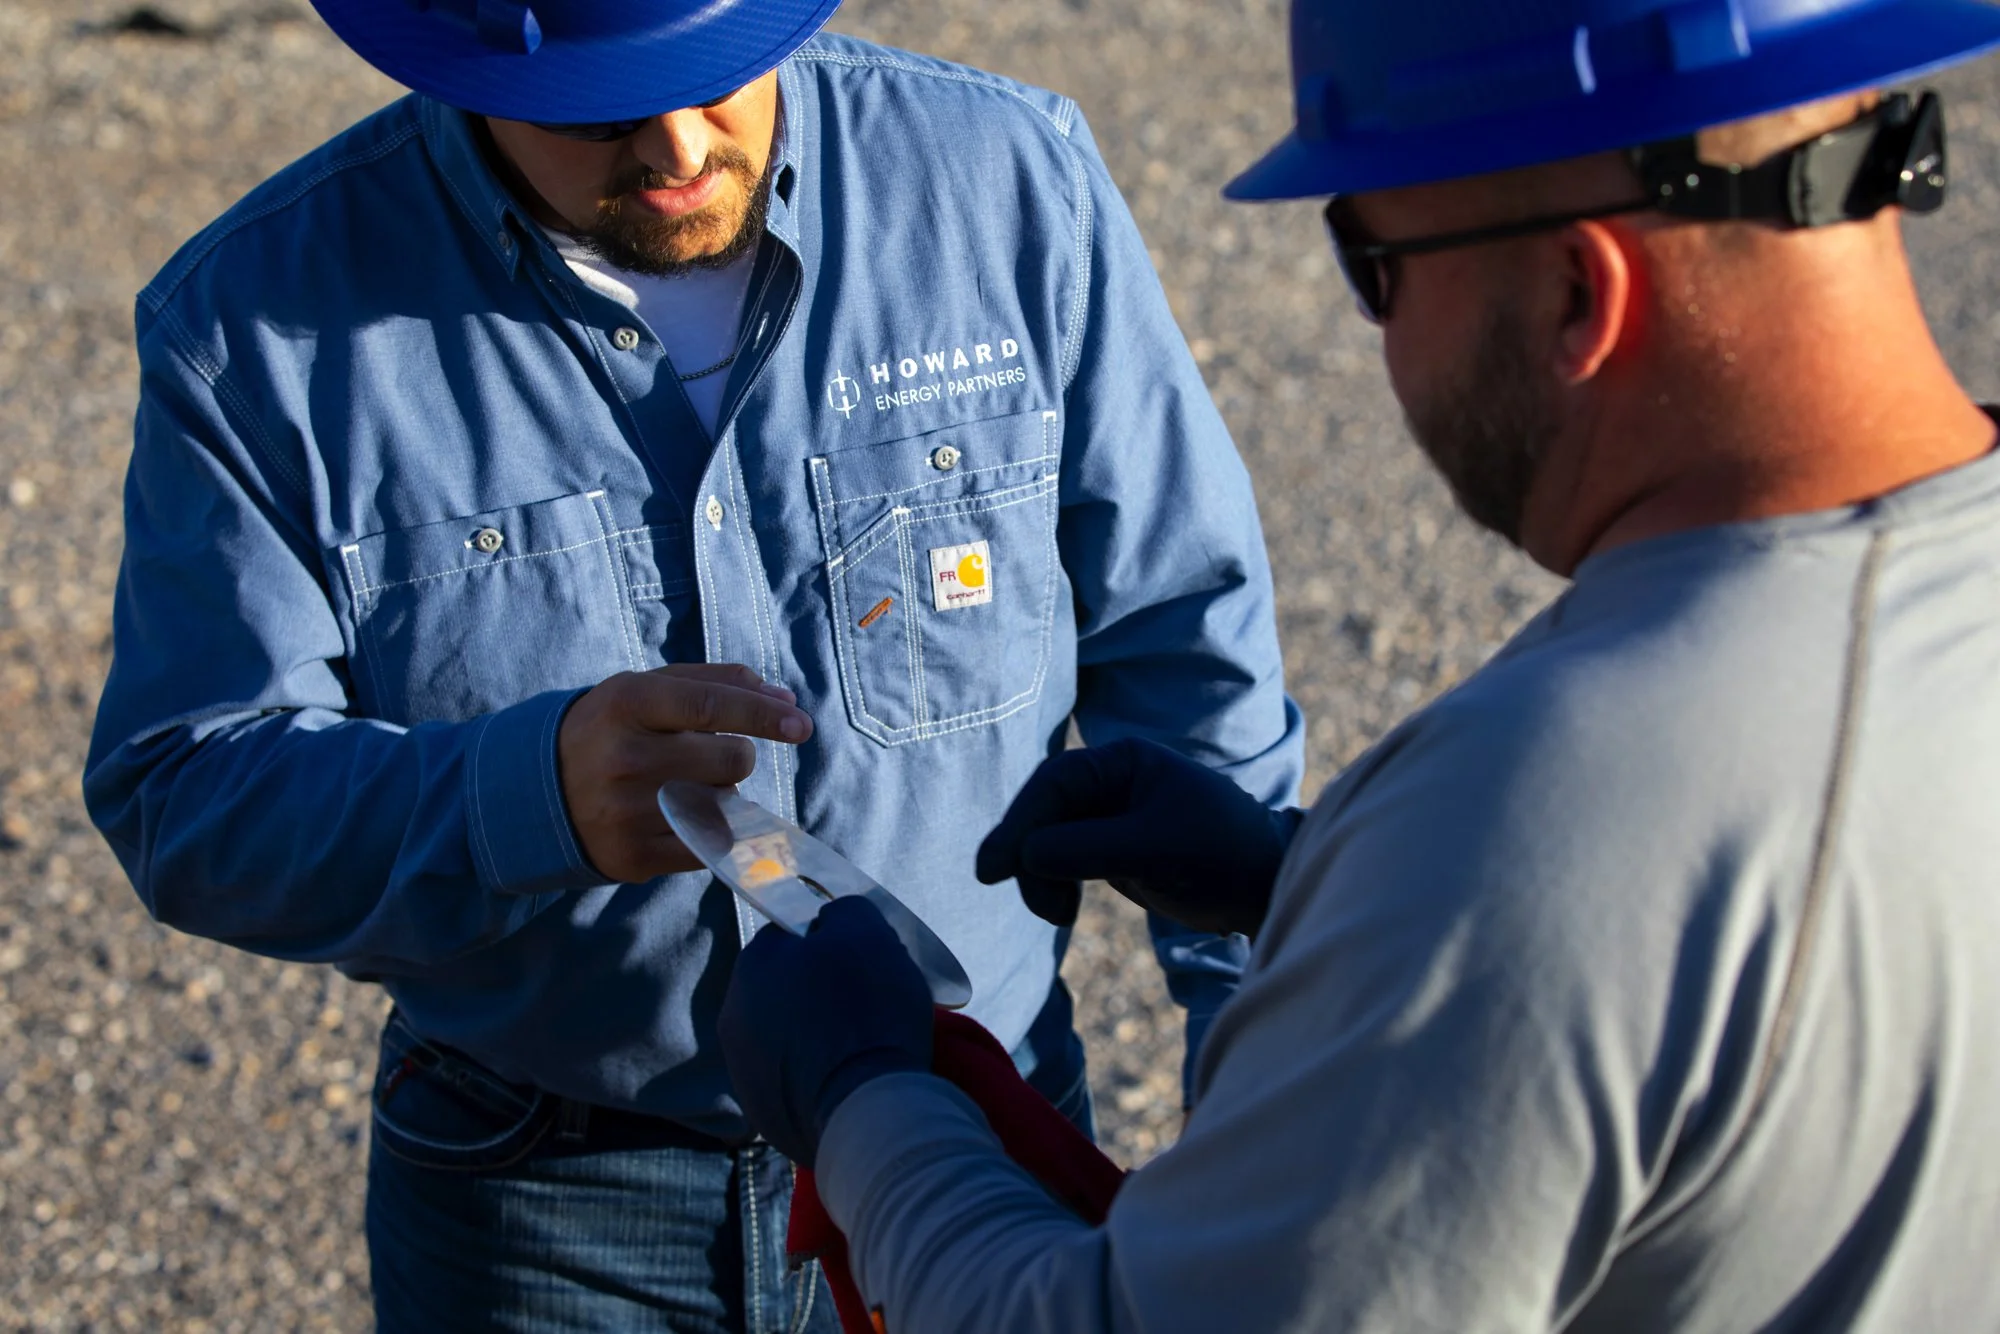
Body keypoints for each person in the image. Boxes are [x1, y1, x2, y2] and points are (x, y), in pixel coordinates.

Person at [715, 0, 2000, 1329]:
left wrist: (867, 1097)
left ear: (1577, 292)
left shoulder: (1536, 826)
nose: (1382, 339)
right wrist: (1309, 883)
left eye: (1371, 256)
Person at [80, 0, 1304, 1326]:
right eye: (598, 105)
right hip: (548, 1213)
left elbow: (1187, 633)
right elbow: (184, 784)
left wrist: (1254, 1048)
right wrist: (522, 794)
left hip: (977, 1132)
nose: (675, 144)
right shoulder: (252, 327)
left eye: (719, 71)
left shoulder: (1006, 184)